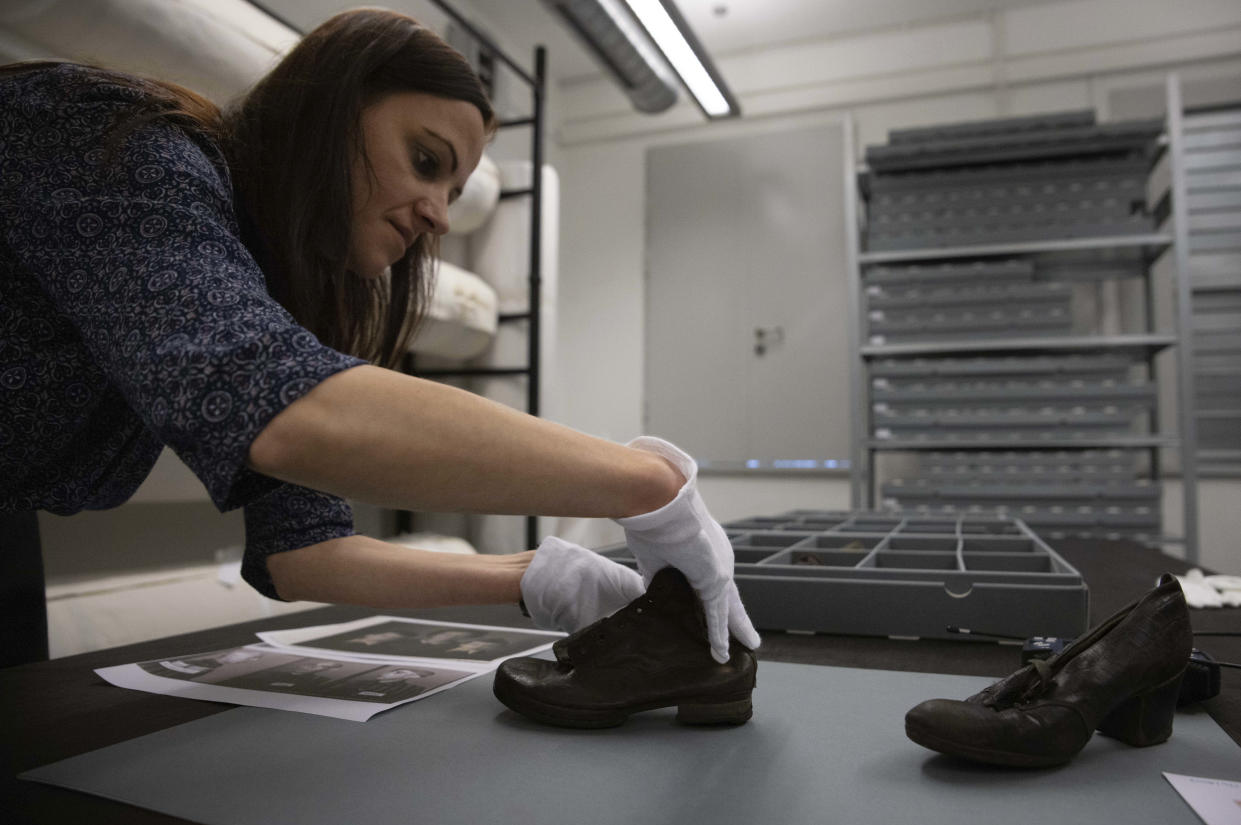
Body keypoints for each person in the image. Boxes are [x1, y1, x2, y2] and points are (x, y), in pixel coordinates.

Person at [0, 9, 758, 663]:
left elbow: (302, 555)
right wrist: (650, 485)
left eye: (454, 192)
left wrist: (534, 577)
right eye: (424, 162)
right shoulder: (112, 139)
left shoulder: (254, 289)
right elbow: (281, 410)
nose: (438, 215)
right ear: (329, 107)